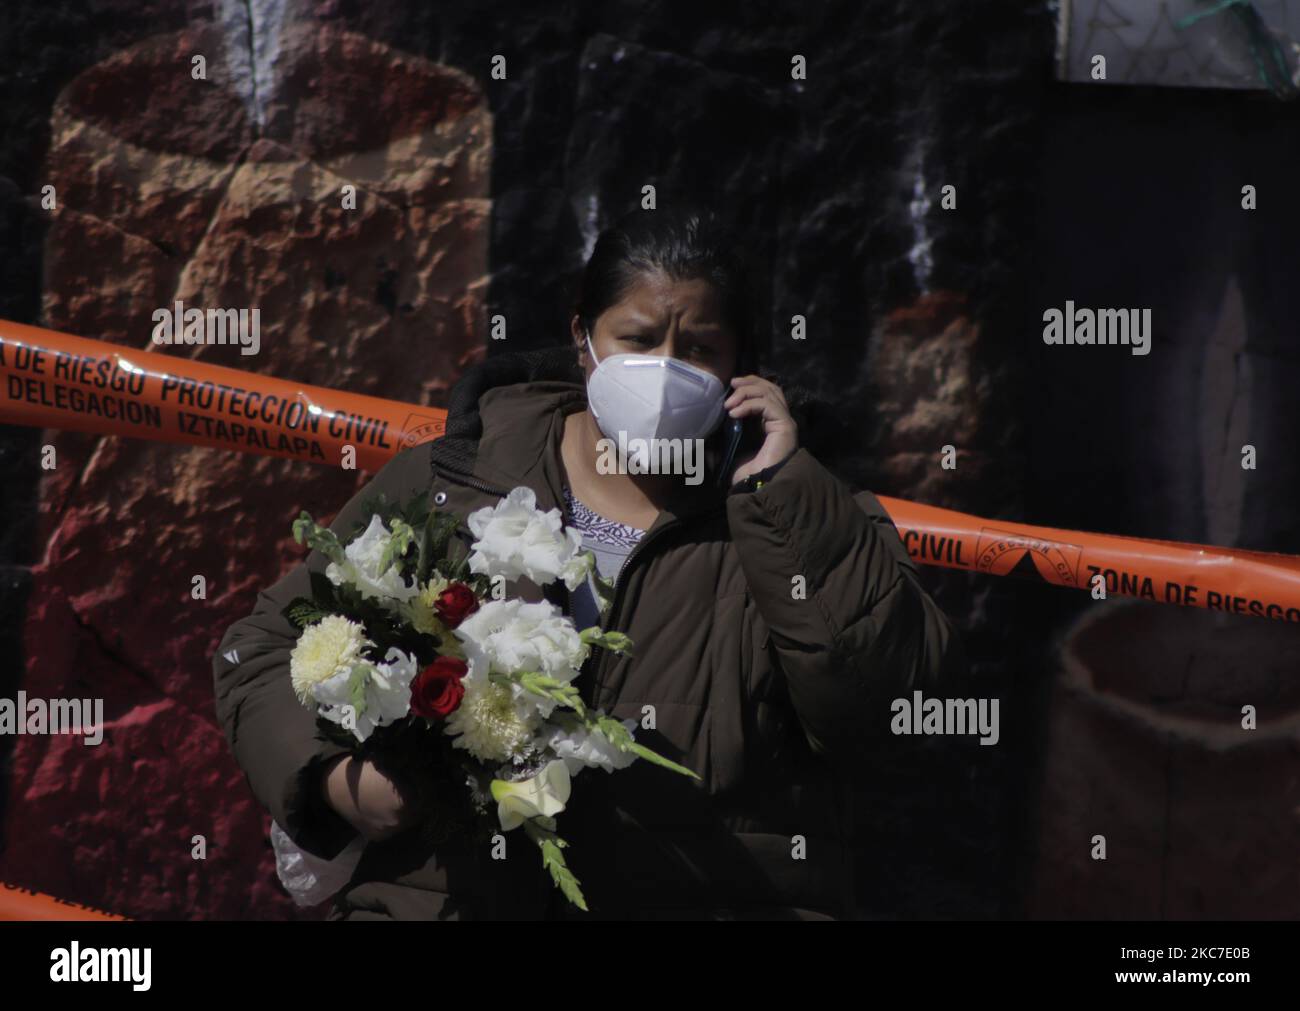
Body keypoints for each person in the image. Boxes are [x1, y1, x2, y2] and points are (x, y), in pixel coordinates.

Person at [212, 207, 965, 921]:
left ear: (744, 368)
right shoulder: (453, 480)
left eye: (699, 348)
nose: (666, 370)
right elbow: (263, 646)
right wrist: (339, 784)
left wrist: (782, 494)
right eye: (638, 339)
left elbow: (882, 716)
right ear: (584, 339)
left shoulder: (794, 515)